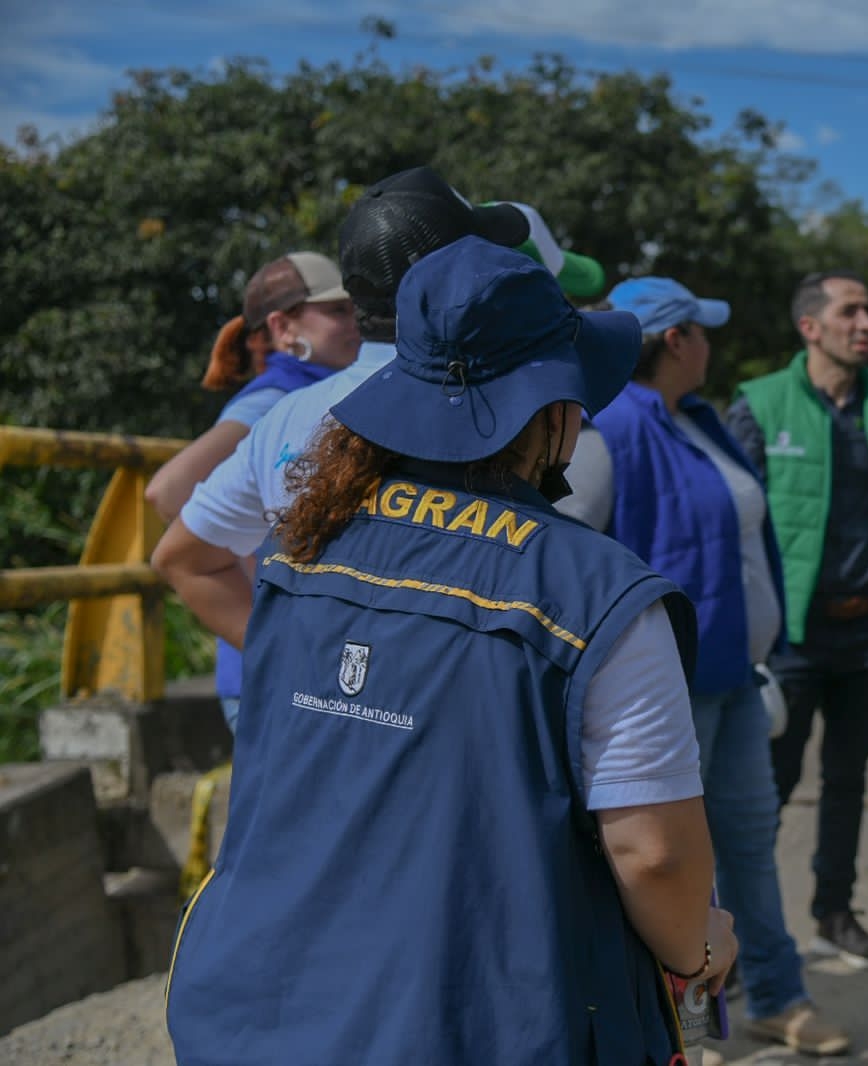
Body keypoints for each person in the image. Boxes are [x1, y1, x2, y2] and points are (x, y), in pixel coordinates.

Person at [165, 237, 736, 1065]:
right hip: (482, 1024)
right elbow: (655, 855)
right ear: (553, 412)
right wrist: (702, 952)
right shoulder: (598, 594)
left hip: (261, 1010)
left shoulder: (298, 551)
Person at [559, 277, 852, 1057]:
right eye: (702, 331)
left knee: (750, 844)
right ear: (676, 342)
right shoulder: (610, 433)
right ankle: (684, 1025)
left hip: (731, 681)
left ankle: (777, 997)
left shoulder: (702, 420)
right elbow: (560, 548)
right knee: (678, 863)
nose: (712, 344)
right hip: (663, 695)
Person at [151, 165, 605, 659]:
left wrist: (291, 666)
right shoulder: (496, 399)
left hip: (321, 720)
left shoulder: (284, 415)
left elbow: (184, 559)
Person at [724, 270, 868, 972]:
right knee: (767, 788)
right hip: (790, 638)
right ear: (810, 326)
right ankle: (726, 938)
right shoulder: (759, 405)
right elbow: (736, 521)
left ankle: (835, 915)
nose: (866, 323)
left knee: (849, 780)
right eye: (851, 311)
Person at [146, 251, 360, 731]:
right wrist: (241, 552)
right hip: (276, 678)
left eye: (355, 307)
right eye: (337, 311)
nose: (356, 322)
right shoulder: (275, 399)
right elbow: (166, 491)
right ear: (285, 328)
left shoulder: (309, 390)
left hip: (287, 671)